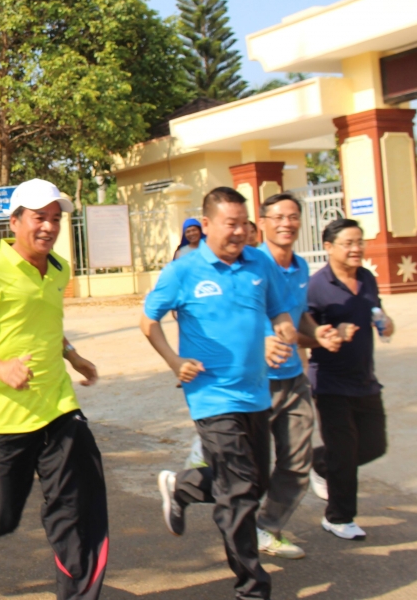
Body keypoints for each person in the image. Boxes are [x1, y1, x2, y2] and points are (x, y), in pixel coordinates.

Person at [0, 179, 106, 600]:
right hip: (2, 417)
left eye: (55, 218)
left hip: (58, 407)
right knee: (2, 518)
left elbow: (44, 323)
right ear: (14, 222)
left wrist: (73, 356)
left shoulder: (58, 269)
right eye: (39, 218)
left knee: (80, 508)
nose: (49, 227)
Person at [143, 187, 300, 600]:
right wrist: (174, 361)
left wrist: (283, 331)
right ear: (207, 224)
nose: (239, 232)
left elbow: (278, 311)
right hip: (211, 396)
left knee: (255, 482)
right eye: (231, 224)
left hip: (256, 393)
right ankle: (252, 587)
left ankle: (184, 487)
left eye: (244, 224)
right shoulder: (182, 271)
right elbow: (148, 321)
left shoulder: (259, 262)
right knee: (241, 493)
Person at [253, 193, 352, 558]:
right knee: (248, 466)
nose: (287, 223)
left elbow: (299, 315)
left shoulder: (299, 267)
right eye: (278, 216)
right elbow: (233, 313)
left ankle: (267, 527)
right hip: (254, 379)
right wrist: (261, 339)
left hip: (293, 377)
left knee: (297, 461)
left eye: (293, 216)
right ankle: (195, 476)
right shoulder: (250, 264)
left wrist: (318, 332)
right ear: (263, 222)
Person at [307, 218, 393, 541]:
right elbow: (303, 334)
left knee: (374, 445)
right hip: (330, 382)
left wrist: (386, 323)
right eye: (348, 243)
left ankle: (318, 462)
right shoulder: (316, 286)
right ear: (329, 247)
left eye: (360, 242)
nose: (356, 248)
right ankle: (338, 518)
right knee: (344, 452)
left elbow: (377, 313)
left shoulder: (367, 278)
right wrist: (330, 334)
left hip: (364, 379)